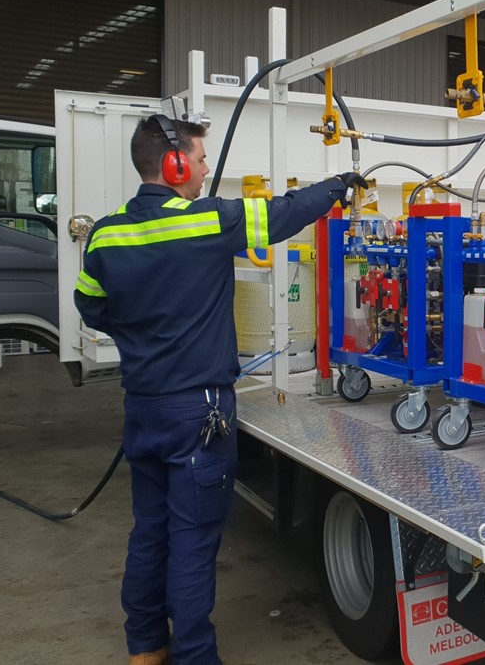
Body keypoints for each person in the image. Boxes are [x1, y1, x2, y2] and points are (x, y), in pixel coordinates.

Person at [73, 115, 366, 665]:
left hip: (143, 406)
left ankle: (145, 647)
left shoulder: (106, 233)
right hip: (199, 412)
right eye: (202, 161)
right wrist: (337, 187)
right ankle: (194, 656)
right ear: (175, 163)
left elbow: (89, 304)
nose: (207, 171)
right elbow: (282, 215)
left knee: (150, 531)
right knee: (192, 541)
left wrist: (142, 338)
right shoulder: (205, 221)